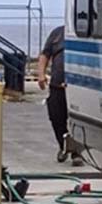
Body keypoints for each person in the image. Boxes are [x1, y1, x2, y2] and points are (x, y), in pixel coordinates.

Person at [37, 25, 82, 165]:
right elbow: (45, 54)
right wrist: (41, 74)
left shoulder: (83, 31)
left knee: (77, 120)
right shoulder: (57, 33)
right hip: (57, 86)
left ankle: (77, 153)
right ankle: (63, 146)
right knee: (56, 117)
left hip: (77, 87)